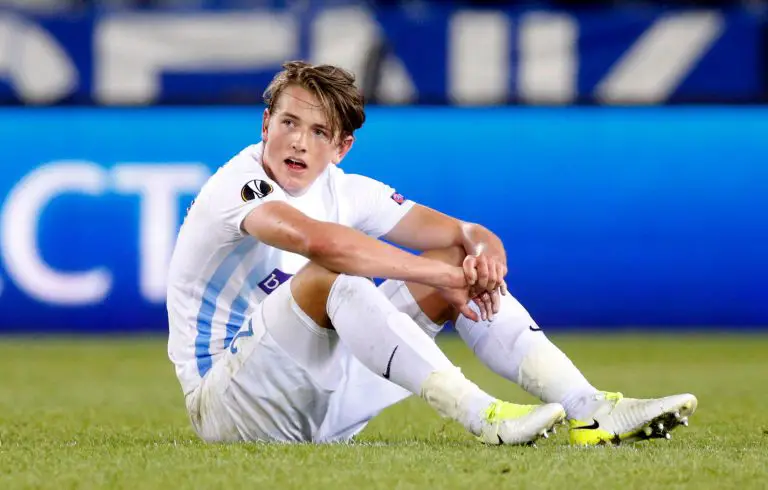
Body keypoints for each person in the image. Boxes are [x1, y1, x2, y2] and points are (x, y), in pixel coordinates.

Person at [166, 61, 696, 446]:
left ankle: (590, 409)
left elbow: (467, 233)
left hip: (324, 407)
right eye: (288, 123)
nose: (299, 142)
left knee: (452, 261)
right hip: (228, 403)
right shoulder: (240, 184)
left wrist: (483, 260)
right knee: (335, 272)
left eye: (319, 131)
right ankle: (483, 415)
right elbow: (321, 243)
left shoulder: (349, 191)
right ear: (266, 125)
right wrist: (442, 276)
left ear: (342, 147)